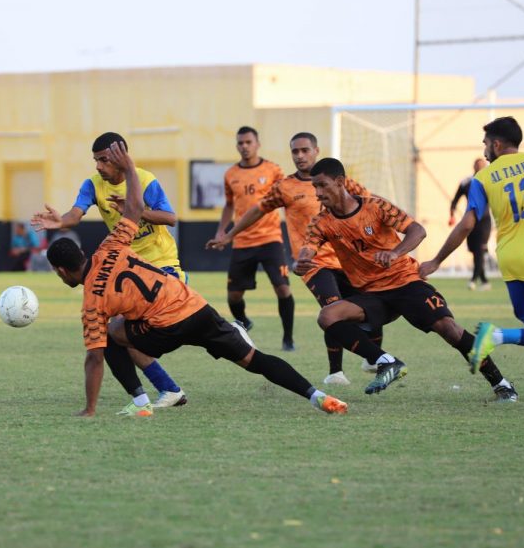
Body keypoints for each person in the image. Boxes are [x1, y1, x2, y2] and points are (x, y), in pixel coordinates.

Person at [46, 140, 347, 417]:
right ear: (82, 252)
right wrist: (129, 170)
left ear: (61, 271)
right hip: (194, 306)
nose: (99, 166)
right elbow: (135, 210)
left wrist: (89, 409)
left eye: (104, 160)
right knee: (254, 360)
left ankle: (142, 402)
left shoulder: (92, 301)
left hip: (164, 317)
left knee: (113, 335)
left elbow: (94, 358)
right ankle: (317, 396)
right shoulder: (111, 244)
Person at [294, 157, 518, 402]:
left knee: (449, 330)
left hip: (405, 282)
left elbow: (417, 230)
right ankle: (386, 362)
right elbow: (307, 250)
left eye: (322, 185)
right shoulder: (321, 222)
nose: (317, 193)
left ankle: (501, 384)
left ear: (339, 182)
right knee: (328, 316)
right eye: (314, 187)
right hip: (371, 294)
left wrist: (395, 253)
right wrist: (300, 263)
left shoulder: (376, 206)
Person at [420, 116, 524, 412]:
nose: (484, 151)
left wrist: (437, 260)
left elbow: (467, 224)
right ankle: (497, 336)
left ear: (496, 144)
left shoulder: (483, 178)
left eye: (484, 144)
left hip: (509, 260)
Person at [207, 132, 380, 385]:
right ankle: (336, 372)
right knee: (332, 309)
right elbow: (256, 210)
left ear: (316, 151)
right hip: (312, 263)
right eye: (295, 151)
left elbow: (370, 203)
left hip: (347, 260)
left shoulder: (340, 181)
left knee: (370, 306)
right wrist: (229, 234)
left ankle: (372, 357)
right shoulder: (285, 187)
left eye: (304, 150)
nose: (299, 156)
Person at [31, 132, 187, 410]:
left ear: (121, 156)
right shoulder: (92, 185)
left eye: (104, 160)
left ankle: (225, 336)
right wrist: (61, 222)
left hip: (162, 265)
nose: (99, 166)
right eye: (96, 160)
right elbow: (75, 214)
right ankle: (165, 389)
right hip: (128, 269)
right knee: (117, 331)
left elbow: (170, 217)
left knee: (130, 330)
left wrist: (134, 210)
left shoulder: (145, 180)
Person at [206, 126, 296, 351]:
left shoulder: (273, 169)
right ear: (237, 146)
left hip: (270, 238)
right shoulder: (231, 174)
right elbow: (229, 205)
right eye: (241, 143)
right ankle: (244, 322)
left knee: (283, 289)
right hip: (243, 241)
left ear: (257, 144)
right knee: (234, 296)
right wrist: (221, 231)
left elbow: (287, 195)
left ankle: (288, 339)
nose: (244, 146)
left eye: (248, 142)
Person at [450, 158, 492, 290]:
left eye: (482, 165)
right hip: (470, 220)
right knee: (475, 251)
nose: (480, 167)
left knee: (479, 249)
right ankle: (485, 281)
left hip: (484, 221)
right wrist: (451, 214)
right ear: (473, 166)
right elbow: (455, 199)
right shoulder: (467, 182)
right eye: (477, 165)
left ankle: (473, 280)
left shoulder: (491, 181)